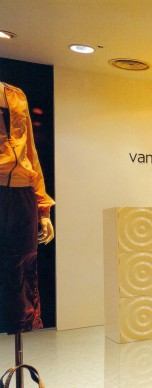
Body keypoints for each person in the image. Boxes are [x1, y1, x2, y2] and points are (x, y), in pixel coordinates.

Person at [0, 81, 54, 333]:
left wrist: (43, 208)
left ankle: (19, 329)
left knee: (22, 264)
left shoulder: (16, 95)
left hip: (22, 191)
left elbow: (30, 152)